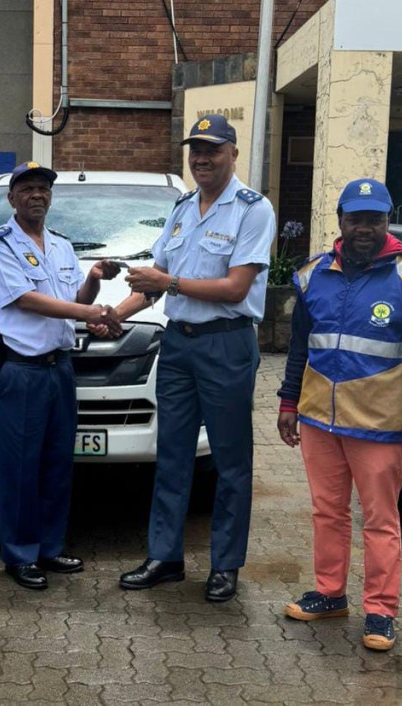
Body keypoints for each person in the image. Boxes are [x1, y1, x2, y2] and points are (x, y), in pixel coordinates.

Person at [277, 178, 402, 651]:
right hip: (318, 418)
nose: (365, 229)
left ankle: (380, 610)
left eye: (375, 219)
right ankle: (330, 593)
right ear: (341, 221)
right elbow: (298, 348)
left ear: (387, 221)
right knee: (327, 511)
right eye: (356, 219)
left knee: (380, 519)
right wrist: (289, 402)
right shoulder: (313, 275)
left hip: (381, 424)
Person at [110, 114, 275, 602]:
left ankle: (225, 564)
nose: (201, 159)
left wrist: (170, 284)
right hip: (178, 345)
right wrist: (116, 314)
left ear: (233, 153)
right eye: (195, 150)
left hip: (226, 343)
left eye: (212, 149)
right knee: (173, 455)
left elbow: (236, 287)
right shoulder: (182, 207)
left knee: (230, 461)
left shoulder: (252, 209)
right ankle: (165, 557)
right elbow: (156, 279)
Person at [0, 161, 122, 589]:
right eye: (27, 189)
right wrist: (91, 312)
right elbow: (27, 300)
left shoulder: (61, 247)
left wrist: (95, 281)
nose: (37, 195)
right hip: (22, 370)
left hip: (60, 369)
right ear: (12, 198)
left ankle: (50, 546)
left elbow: (74, 298)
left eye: (43, 188)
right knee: (20, 467)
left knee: (58, 462)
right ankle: (20, 554)